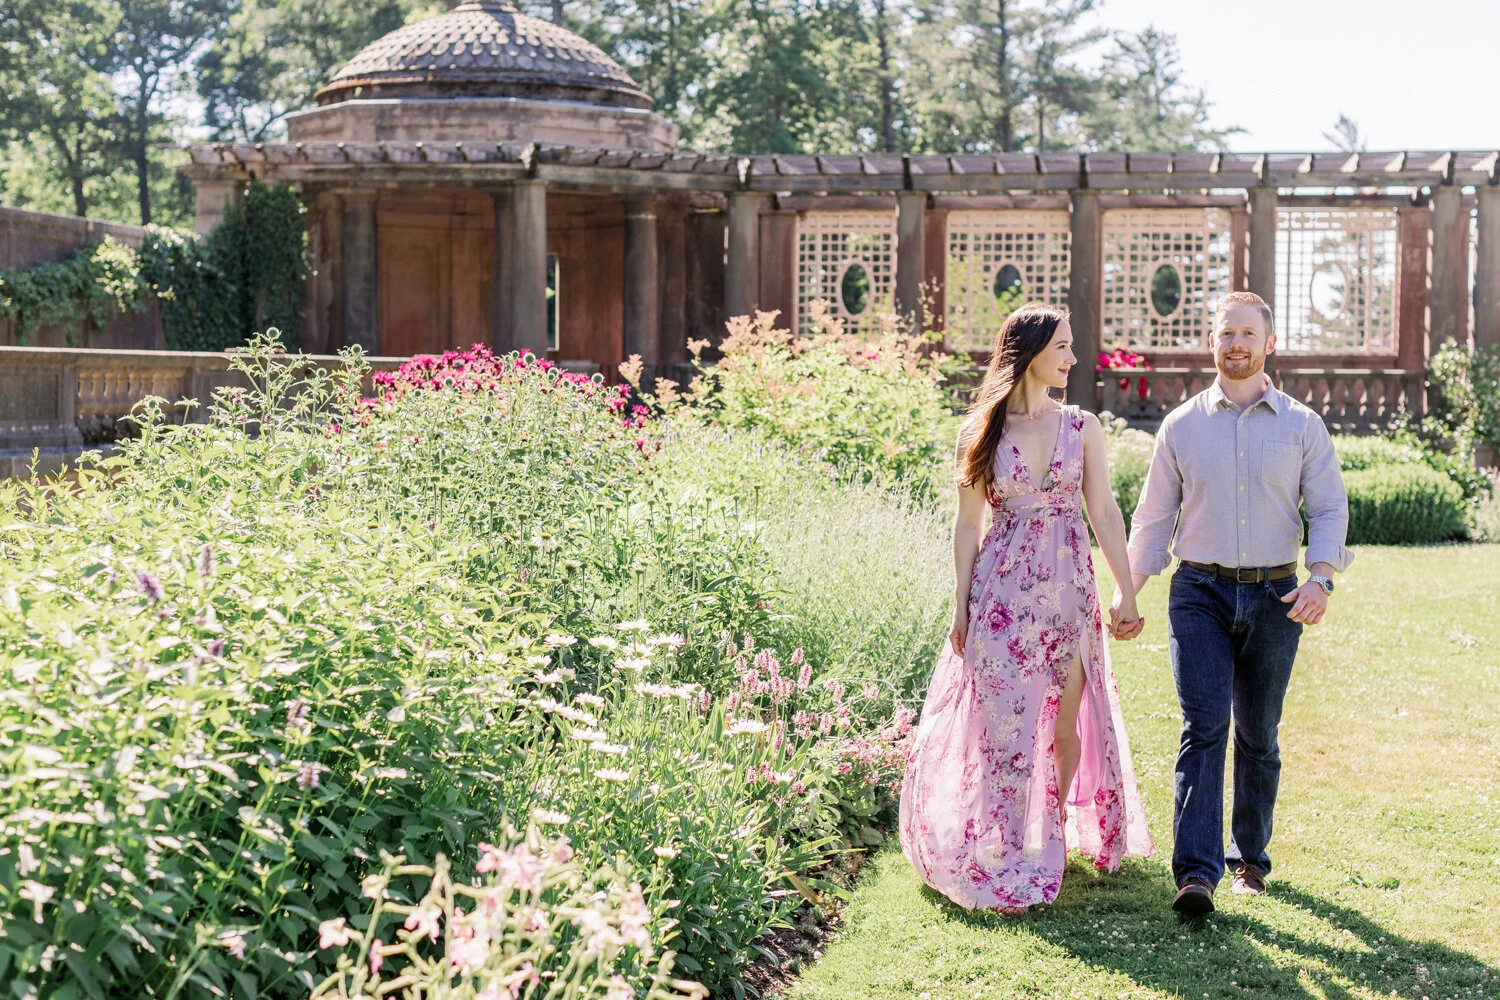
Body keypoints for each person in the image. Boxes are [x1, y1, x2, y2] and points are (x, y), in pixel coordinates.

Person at [900, 304, 1155, 914]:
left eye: (1072, 346)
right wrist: (960, 606)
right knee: (1003, 733)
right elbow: (967, 527)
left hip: (1069, 598)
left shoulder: (1081, 425)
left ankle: (1048, 835)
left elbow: (1105, 512)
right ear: (1031, 352)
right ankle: (1005, 841)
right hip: (1001, 601)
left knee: (1064, 727)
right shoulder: (980, 431)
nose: (1072, 358)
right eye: (1063, 347)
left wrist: (1128, 588)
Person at [1116, 290, 1352, 917]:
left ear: (1269, 343)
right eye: (1227, 333)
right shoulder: (1181, 426)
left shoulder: (1302, 425)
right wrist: (1127, 593)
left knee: (1259, 735)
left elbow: (1328, 509)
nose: (1237, 344)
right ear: (1212, 341)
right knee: (1204, 728)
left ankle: (1250, 859)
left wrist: (1320, 579)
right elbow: (1153, 518)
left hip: (1278, 594)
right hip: (1198, 591)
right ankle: (1197, 873)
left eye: (1249, 333)